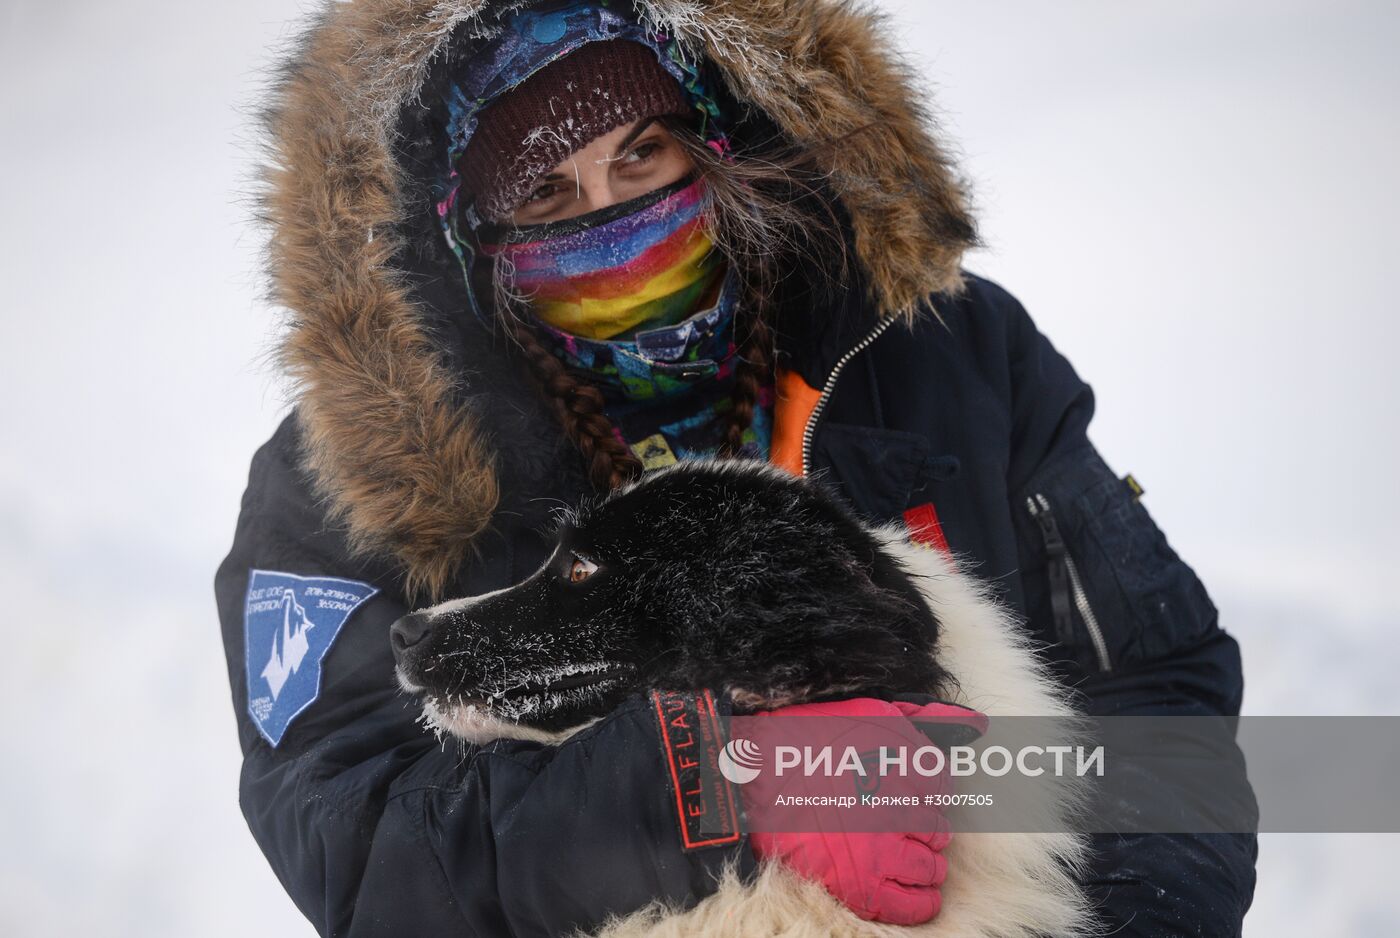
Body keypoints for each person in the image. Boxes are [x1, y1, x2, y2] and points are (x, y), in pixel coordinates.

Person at [215, 1, 1258, 935]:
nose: (610, 219)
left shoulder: (947, 351)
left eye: (641, 155)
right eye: (543, 189)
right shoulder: (358, 476)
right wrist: (719, 779)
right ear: (466, 235)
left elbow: (1155, 693)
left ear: (715, 140)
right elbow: (353, 847)